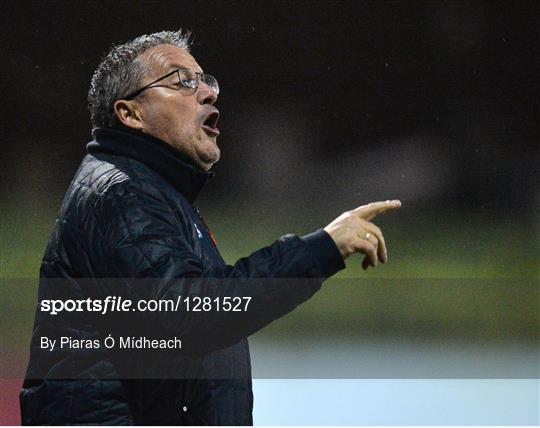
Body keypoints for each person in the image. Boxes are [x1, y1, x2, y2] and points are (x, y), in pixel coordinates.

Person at [20, 30, 401, 425]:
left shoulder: (152, 192)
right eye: (181, 81)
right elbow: (194, 314)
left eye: (204, 80)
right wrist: (321, 249)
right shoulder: (123, 194)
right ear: (130, 114)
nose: (207, 93)